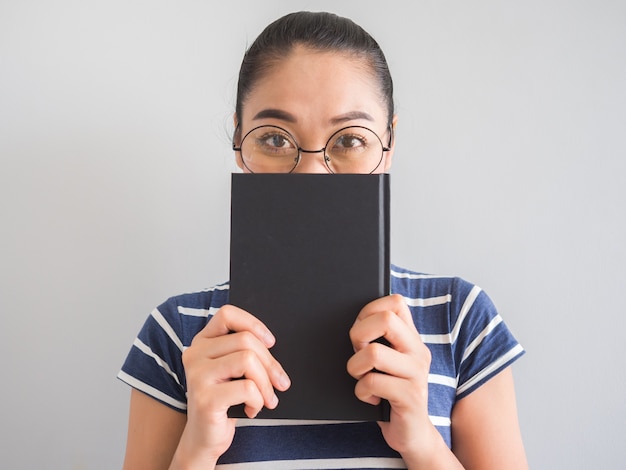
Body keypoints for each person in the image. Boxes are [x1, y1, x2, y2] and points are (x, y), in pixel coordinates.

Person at [119, 11, 528, 470]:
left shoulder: (460, 318)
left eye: (350, 140)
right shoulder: (178, 333)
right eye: (274, 138)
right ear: (238, 139)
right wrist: (198, 447)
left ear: (388, 145)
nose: (311, 172)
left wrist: (422, 442)